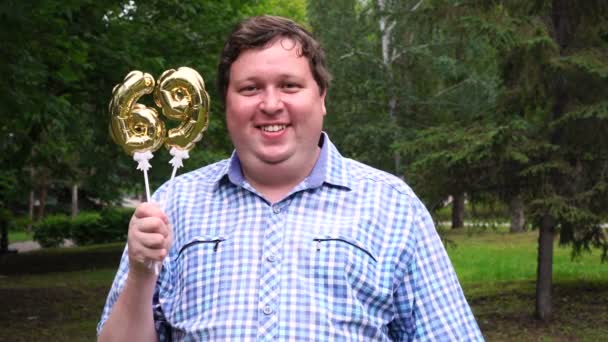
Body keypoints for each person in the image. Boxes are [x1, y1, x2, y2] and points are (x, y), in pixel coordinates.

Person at [98, 15, 483, 341]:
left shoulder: (393, 206)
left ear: (322, 96)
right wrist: (142, 271)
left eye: (289, 85)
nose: (270, 104)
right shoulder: (171, 204)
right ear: (227, 103)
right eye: (250, 88)